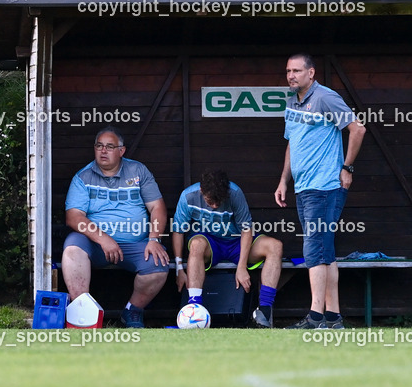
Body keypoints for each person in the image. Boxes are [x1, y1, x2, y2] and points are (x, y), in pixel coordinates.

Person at [275, 53, 366, 329]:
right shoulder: (292, 102)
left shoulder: (325, 97)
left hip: (325, 186)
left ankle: (315, 316)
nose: (291, 75)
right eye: (288, 71)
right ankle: (333, 317)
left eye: (297, 71)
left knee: (313, 248)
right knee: (325, 250)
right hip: (303, 187)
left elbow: (358, 129)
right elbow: (292, 143)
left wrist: (347, 168)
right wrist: (283, 181)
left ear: (311, 73)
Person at [62, 127, 170, 328]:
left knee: (158, 263)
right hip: (95, 244)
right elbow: (74, 217)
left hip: (135, 243)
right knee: (72, 248)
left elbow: (157, 207)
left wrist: (154, 239)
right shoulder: (83, 177)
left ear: (122, 151)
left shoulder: (138, 171)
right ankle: (83, 312)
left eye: (110, 147)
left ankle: (132, 311)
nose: (103, 151)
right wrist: (104, 238)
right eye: (99, 146)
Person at [172, 170, 284, 328]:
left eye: (220, 200)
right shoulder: (188, 196)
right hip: (210, 243)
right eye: (211, 201)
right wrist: (179, 269)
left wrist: (241, 267)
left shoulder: (235, 192)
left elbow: (246, 229)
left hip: (237, 241)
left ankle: (264, 312)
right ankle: (195, 308)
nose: (216, 205)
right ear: (202, 191)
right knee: (196, 244)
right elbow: (178, 230)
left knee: (275, 246)